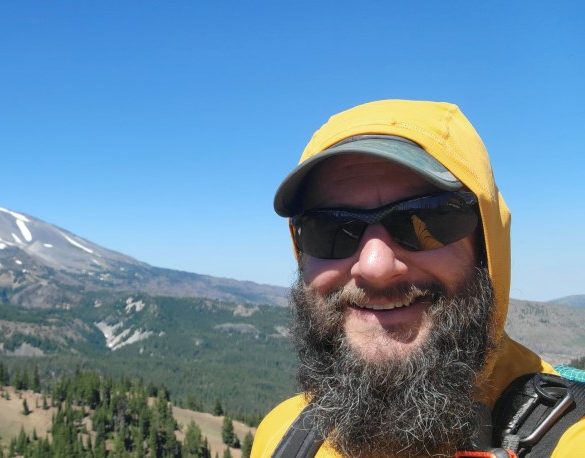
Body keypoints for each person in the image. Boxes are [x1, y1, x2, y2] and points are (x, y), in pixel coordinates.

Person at [251, 99, 585, 457]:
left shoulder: (568, 438)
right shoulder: (281, 435)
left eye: (426, 219)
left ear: (488, 246)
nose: (375, 266)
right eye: (329, 228)